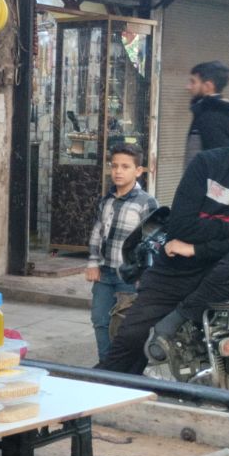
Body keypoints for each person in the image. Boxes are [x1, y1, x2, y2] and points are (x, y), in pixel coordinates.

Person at [98, 107, 229, 375]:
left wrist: (196, 248)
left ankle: (178, 319)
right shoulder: (207, 163)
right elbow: (181, 225)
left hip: (228, 274)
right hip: (176, 269)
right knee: (128, 344)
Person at [85, 144, 158, 363]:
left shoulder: (146, 203)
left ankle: (123, 367)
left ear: (138, 171)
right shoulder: (107, 200)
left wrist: (144, 277)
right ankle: (106, 364)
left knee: (125, 325)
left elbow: (153, 243)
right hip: (105, 274)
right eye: (114, 166)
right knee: (100, 320)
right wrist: (93, 263)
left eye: (125, 166)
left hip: (129, 277)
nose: (118, 171)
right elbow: (98, 232)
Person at [184, 61, 229, 164]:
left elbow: (219, 162)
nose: (188, 87)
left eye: (193, 82)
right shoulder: (220, 110)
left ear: (208, 86)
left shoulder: (210, 117)